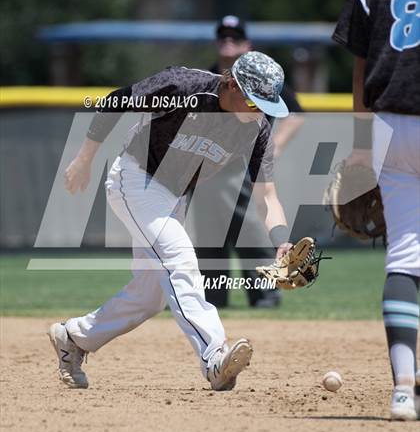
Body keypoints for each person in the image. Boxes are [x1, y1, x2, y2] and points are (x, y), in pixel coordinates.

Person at [49, 51, 294, 391]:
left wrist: (282, 240)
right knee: (180, 259)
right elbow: (117, 100)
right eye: (254, 102)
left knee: (150, 297)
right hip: (135, 179)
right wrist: (84, 159)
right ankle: (214, 357)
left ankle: (73, 337)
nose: (260, 111)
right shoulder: (184, 86)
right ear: (233, 85)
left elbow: (267, 196)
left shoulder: (257, 130)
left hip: (174, 196)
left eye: (266, 105)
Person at [332, 0, 420, 420]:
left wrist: (362, 147)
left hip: (390, 127)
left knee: (405, 257)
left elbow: (361, 65)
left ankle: (403, 390)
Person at [195, 15, 304, 308]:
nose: (228, 44)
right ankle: (212, 297)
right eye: (223, 38)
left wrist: (275, 146)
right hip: (208, 171)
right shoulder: (207, 77)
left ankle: (265, 295)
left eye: (235, 38)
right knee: (209, 237)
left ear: (247, 43)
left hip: (245, 165)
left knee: (250, 231)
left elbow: (295, 112)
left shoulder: (260, 76)